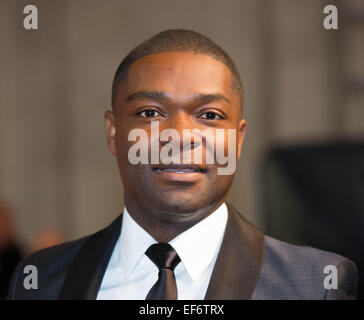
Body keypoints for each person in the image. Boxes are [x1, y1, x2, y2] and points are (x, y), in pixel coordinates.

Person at [7, 29, 358, 300]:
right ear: (114, 133)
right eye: (150, 113)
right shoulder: (42, 280)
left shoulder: (316, 283)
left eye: (209, 115)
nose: (179, 135)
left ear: (237, 139)